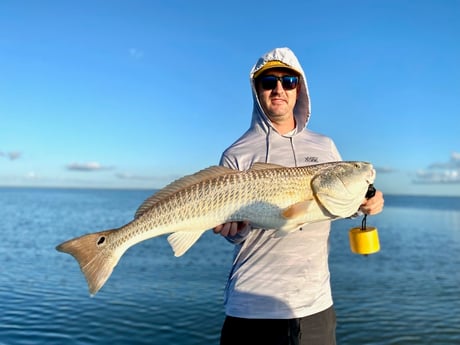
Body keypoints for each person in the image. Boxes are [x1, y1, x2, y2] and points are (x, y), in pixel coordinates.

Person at [213, 47, 384, 345]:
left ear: (299, 88)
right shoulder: (236, 154)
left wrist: (364, 204)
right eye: (268, 82)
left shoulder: (325, 147)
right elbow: (232, 233)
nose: (279, 88)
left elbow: (336, 201)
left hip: (314, 308)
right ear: (256, 90)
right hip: (249, 309)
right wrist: (234, 231)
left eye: (288, 81)